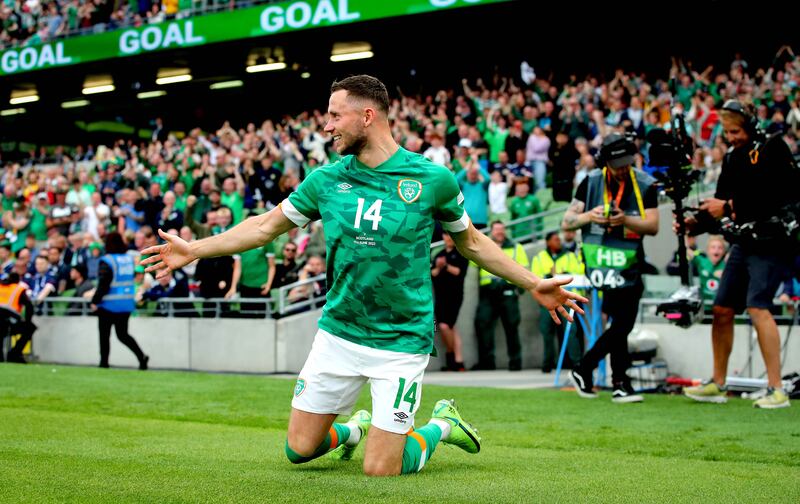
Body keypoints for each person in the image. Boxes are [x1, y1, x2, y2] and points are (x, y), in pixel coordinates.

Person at [142, 75, 584, 477]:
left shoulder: (432, 179)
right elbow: (263, 228)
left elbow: (471, 242)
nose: (327, 126)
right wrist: (194, 249)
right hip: (339, 332)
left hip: (401, 339)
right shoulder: (325, 181)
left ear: (367, 116)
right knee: (299, 450)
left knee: (381, 469)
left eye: (335, 116)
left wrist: (532, 282)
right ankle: (355, 430)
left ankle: (442, 425)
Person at [683, 100, 799, 409]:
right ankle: (718, 383)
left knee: (757, 306)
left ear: (750, 125)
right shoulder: (733, 157)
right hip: (744, 242)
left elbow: (781, 194)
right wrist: (694, 223)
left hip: (773, 241)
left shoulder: (774, 147)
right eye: (727, 132)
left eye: (735, 131)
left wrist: (728, 207)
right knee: (722, 308)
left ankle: (777, 390)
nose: (731, 137)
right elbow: (720, 204)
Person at [562, 132, 659, 403]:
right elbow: (567, 222)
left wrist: (625, 220)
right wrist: (589, 216)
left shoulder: (645, 184)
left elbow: (653, 226)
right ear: (605, 163)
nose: (623, 170)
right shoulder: (591, 182)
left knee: (621, 324)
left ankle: (598, 373)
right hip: (602, 263)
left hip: (629, 262)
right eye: (617, 166)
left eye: (627, 163)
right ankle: (614, 381)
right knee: (623, 323)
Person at [472, 221, 529, 371]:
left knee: (511, 327)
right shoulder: (484, 246)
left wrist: (520, 288)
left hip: (507, 291)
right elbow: (473, 263)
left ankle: (515, 363)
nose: (500, 232)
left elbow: (524, 268)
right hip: (488, 292)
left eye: (502, 229)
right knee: (483, 325)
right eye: (497, 230)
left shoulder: (516, 247)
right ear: (491, 231)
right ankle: (487, 363)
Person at [91, 232, 149, 370]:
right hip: (126, 303)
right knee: (123, 335)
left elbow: (104, 283)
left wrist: (95, 301)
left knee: (104, 335)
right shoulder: (129, 259)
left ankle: (104, 363)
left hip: (108, 304)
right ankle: (141, 356)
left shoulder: (107, 260)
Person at [531, 231, 584, 372]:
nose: (559, 241)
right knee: (546, 331)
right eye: (555, 239)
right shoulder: (539, 257)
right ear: (548, 242)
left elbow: (579, 273)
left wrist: (563, 275)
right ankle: (547, 364)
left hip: (565, 298)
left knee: (571, 331)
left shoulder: (570, 256)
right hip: (547, 299)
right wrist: (550, 276)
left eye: (559, 239)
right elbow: (534, 279)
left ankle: (577, 364)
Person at [431, 232, 468, 371]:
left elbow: (459, 272)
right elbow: (432, 273)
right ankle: (458, 361)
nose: (448, 238)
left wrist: (445, 266)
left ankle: (450, 354)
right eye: (446, 235)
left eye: (450, 235)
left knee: (445, 325)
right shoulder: (439, 254)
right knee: (450, 327)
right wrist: (439, 267)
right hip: (440, 296)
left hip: (454, 296)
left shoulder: (461, 253)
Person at [0, 272, 36, 364]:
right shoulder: (18, 289)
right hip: (8, 318)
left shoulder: (1, 286)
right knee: (30, 328)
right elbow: (29, 306)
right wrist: (27, 321)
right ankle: (14, 354)